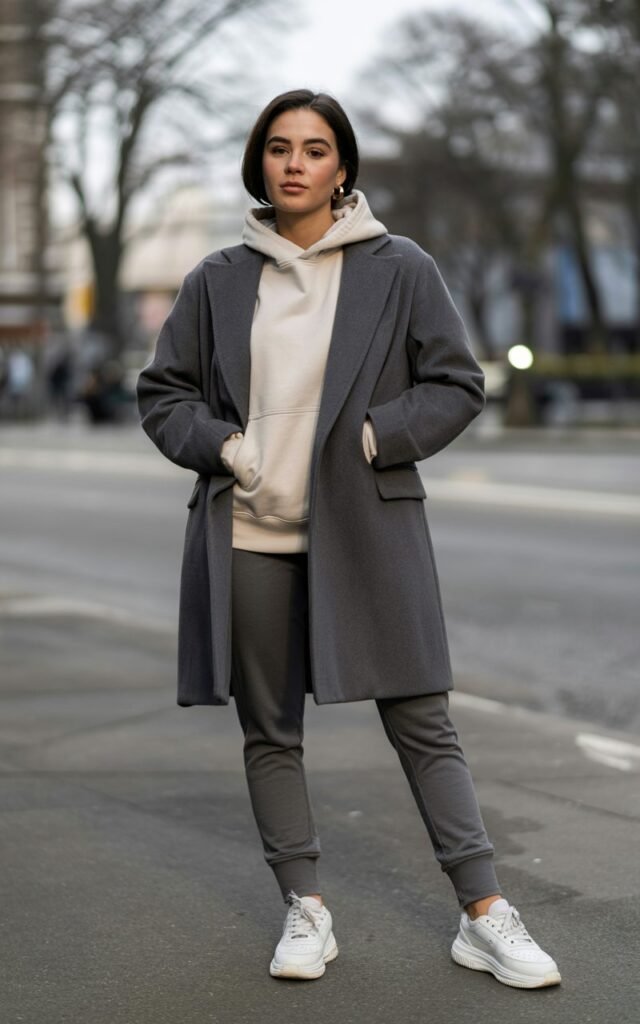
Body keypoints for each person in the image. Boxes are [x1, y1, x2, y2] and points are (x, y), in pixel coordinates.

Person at [137, 89, 561, 990]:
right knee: (270, 730)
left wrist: (374, 437)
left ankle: (485, 913)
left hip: (367, 525)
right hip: (248, 533)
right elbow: (163, 395)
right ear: (260, 162)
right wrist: (226, 448)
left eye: (315, 149)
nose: (295, 163)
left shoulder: (399, 266)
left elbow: (456, 382)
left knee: (422, 718)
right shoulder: (216, 278)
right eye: (280, 148)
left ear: (343, 167)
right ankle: (306, 908)